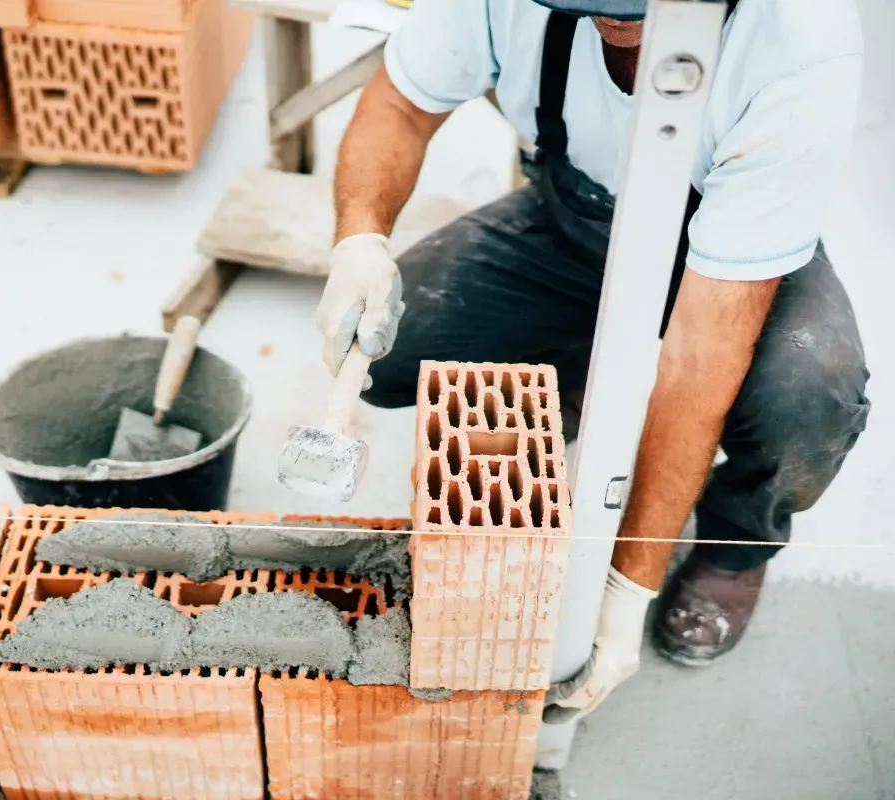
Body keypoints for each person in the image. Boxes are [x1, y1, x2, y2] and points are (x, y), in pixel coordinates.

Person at [315, 0, 869, 722]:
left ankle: (738, 547)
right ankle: (574, 368)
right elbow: (400, 102)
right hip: (572, 223)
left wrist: (625, 588)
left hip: (728, 249)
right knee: (397, 353)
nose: (613, 22)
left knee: (809, 392)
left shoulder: (800, 44)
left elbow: (700, 356)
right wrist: (360, 240)